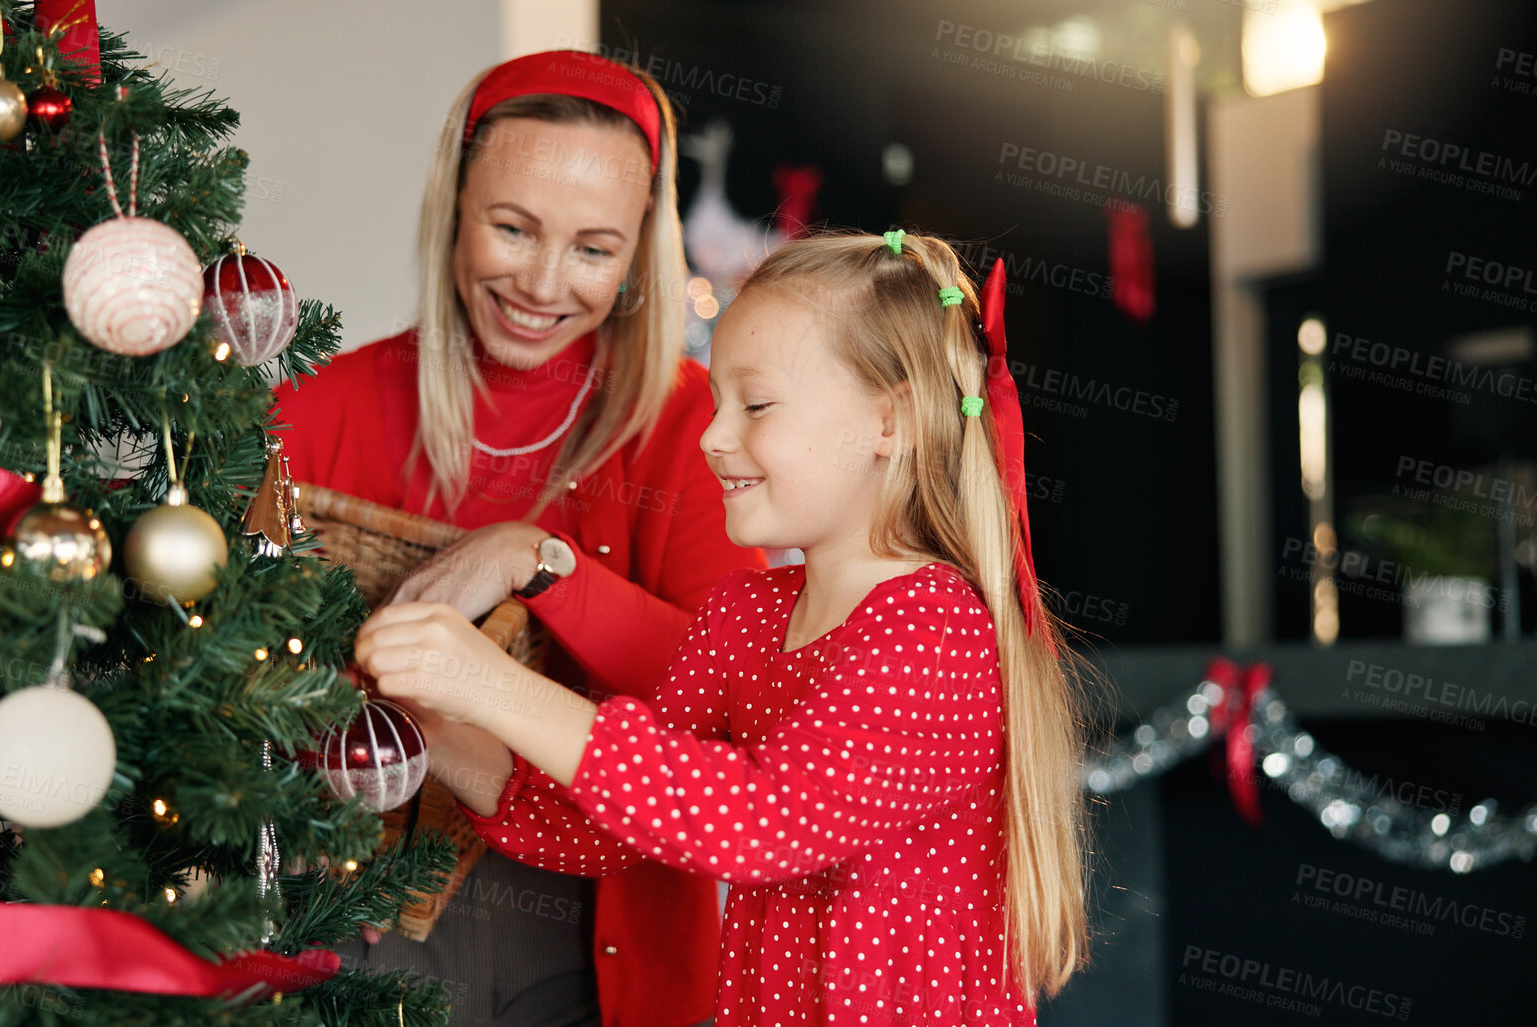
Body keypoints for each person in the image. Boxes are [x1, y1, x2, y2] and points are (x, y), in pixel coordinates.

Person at [356, 229, 1094, 1025]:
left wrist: (488, 682)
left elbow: (755, 821)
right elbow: (602, 821)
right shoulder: (747, 616)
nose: (711, 436)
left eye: (757, 403)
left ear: (892, 419)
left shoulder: (935, 635)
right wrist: (426, 720)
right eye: (716, 403)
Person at [271, 49, 761, 1027]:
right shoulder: (320, 405)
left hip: (600, 917)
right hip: (359, 913)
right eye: (512, 228)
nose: (543, 283)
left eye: (593, 248)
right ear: (455, 202)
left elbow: (734, 685)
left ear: (638, 254)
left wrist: (535, 559)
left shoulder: (688, 423)